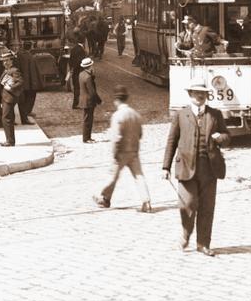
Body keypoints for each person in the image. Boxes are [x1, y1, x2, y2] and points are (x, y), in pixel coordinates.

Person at [162, 81, 231, 256]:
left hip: (209, 169)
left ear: (207, 95)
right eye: (196, 93)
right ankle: (186, 234)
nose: (200, 96)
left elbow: (227, 136)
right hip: (186, 168)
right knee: (188, 205)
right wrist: (165, 167)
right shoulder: (181, 115)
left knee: (207, 207)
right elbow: (172, 141)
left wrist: (220, 138)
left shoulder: (215, 114)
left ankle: (203, 243)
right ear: (190, 94)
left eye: (203, 93)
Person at [95, 85, 151, 212]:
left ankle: (99, 195)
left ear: (116, 100)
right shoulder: (135, 114)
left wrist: (115, 153)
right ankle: (146, 202)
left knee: (112, 176)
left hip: (121, 152)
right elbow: (140, 134)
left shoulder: (117, 116)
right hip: (134, 152)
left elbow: (116, 138)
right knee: (139, 176)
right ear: (126, 99)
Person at [0, 52, 24, 147]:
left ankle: (10, 141)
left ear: (11, 61)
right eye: (3, 61)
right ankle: (9, 140)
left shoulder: (14, 70)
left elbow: (21, 82)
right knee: (7, 118)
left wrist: (11, 87)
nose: (5, 63)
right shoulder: (7, 70)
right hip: (5, 97)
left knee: (6, 119)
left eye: (7, 60)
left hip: (9, 98)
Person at [17, 42, 43, 124]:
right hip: (29, 83)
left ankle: (26, 114)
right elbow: (33, 71)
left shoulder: (20, 55)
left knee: (23, 100)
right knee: (28, 99)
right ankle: (26, 115)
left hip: (23, 82)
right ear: (30, 47)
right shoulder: (30, 57)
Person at [78, 57, 100, 143]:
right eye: (92, 66)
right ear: (90, 66)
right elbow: (92, 92)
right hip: (89, 101)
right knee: (88, 120)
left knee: (86, 119)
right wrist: (99, 101)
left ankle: (87, 137)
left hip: (84, 100)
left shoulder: (81, 74)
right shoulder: (88, 77)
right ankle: (87, 138)